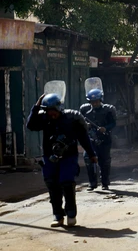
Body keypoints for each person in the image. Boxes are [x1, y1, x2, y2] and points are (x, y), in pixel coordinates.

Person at [27, 93, 98, 227]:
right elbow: (30, 125)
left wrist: (91, 154)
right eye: (49, 111)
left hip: (68, 156)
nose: (52, 114)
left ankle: (71, 214)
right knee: (52, 184)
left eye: (53, 111)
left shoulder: (72, 118)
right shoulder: (44, 119)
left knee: (67, 182)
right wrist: (36, 106)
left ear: (59, 108)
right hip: (49, 157)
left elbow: (84, 138)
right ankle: (58, 216)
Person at [80, 89, 117, 191]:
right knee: (88, 159)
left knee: (104, 161)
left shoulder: (108, 110)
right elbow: (81, 121)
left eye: (97, 101)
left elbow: (113, 123)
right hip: (91, 139)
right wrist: (85, 125)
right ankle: (92, 183)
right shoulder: (84, 110)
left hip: (104, 139)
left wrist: (105, 128)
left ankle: (105, 183)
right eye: (92, 102)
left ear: (101, 100)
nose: (95, 103)